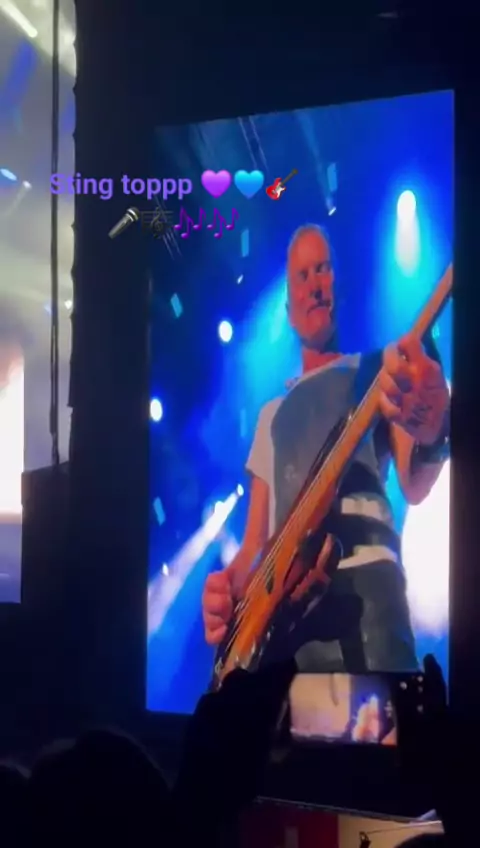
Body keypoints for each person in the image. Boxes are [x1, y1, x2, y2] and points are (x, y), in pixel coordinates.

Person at [202, 224, 450, 674]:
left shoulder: (379, 369)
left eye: (323, 269)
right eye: (302, 275)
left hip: (374, 625)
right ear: (288, 310)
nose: (315, 284)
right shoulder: (270, 415)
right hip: (288, 649)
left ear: (338, 284)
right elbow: (255, 544)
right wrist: (226, 591)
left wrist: (434, 432)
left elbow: (415, 483)